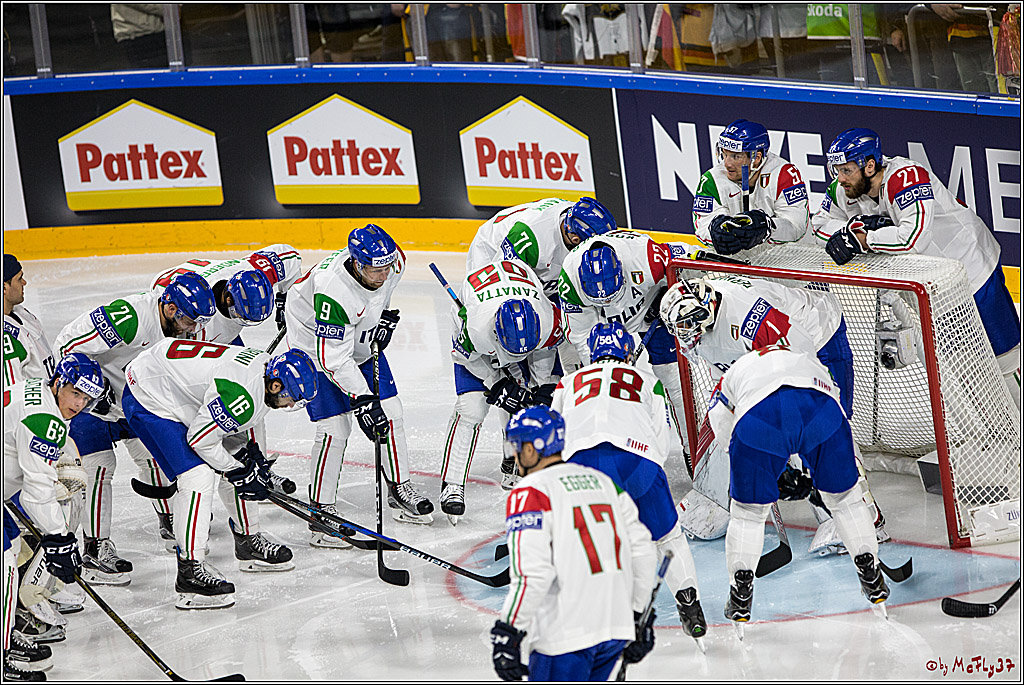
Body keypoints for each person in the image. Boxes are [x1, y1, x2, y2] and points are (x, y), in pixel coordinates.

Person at [659, 273, 890, 555]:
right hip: (764, 357)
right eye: (680, 326)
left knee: (817, 425)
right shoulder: (697, 328)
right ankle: (715, 501)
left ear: (709, 306)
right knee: (726, 420)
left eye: (691, 320)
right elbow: (729, 382)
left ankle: (862, 515)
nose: (687, 331)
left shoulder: (750, 318)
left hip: (816, 341)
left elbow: (799, 361)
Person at [814, 127, 1021, 410]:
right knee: (965, 364)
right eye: (837, 170)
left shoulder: (906, 176)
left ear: (870, 165)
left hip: (971, 270)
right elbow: (819, 224)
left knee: (1006, 358)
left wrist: (864, 238)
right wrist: (852, 231)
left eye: (847, 170)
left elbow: (913, 238)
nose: (841, 178)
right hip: (934, 286)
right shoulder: (843, 190)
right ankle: (999, 430)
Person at [122, 341, 317, 609]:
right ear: (275, 385)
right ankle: (189, 572)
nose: (290, 404)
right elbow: (201, 441)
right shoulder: (243, 395)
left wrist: (247, 458)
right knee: (198, 477)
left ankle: (248, 541)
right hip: (149, 396)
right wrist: (237, 470)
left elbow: (233, 421)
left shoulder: (263, 367)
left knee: (241, 464)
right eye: (290, 397)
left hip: (172, 385)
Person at [52, 272, 216, 584]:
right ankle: (95, 547)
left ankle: (169, 519)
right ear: (169, 310)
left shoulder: (185, 326)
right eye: (189, 321)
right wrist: (93, 391)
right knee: (99, 469)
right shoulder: (129, 318)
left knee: (154, 456)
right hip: (92, 400)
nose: (194, 331)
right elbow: (68, 346)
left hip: (137, 399)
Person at [551, 321, 707, 646]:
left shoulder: (567, 383)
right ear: (625, 351)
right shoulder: (649, 381)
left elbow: (554, 437)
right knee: (669, 538)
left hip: (581, 467)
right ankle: (690, 607)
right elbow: (660, 445)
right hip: (636, 460)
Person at [709, 346, 890, 626]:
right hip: (820, 409)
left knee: (747, 514)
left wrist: (775, 470)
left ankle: (740, 594)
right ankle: (871, 572)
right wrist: (819, 476)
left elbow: (723, 428)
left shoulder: (733, 371)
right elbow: (835, 402)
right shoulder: (804, 354)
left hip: (759, 419)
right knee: (845, 501)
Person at [284, 225, 434, 547]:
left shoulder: (393, 262)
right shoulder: (334, 290)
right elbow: (333, 360)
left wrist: (387, 316)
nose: (383, 275)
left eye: (386, 267)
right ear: (356, 263)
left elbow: (386, 289)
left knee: (392, 412)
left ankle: (399, 489)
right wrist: (364, 401)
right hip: (314, 346)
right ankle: (321, 513)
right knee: (335, 429)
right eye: (375, 269)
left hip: (357, 336)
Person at [490, 406, 658, 682]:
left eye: (517, 446)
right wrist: (639, 615)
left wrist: (508, 630)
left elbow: (532, 573)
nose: (515, 456)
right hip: (614, 628)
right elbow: (643, 550)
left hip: (565, 634)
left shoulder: (530, 491)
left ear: (533, 449)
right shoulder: (603, 483)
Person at [151, 245, 304, 497]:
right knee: (220, 402)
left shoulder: (254, 275)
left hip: (215, 323)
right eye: (242, 318)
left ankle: (259, 466)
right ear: (228, 299)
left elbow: (291, 256)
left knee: (257, 392)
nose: (243, 324)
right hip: (190, 327)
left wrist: (285, 300)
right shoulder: (195, 323)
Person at [439, 258, 564, 523]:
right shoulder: (474, 329)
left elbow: (546, 349)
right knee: (472, 408)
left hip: (523, 327)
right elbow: (465, 358)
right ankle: (452, 484)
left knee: (530, 401)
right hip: (477, 351)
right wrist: (495, 382)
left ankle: (513, 458)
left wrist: (543, 385)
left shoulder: (546, 318)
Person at [4, 354, 105, 678]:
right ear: (59, 383)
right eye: (76, 393)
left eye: (86, 399)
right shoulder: (44, 419)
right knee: (5, 562)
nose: (79, 404)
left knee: (9, 551)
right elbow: (36, 491)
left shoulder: (40, 392)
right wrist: (60, 538)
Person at [557, 230, 693, 448]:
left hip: (652, 312)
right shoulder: (570, 281)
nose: (609, 301)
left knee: (673, 378)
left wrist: (669, 294)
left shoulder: (646, 256)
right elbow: (582, 338)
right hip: (602, 323)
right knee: (591, 384)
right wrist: (603, 372)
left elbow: (692, 259)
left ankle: (691, 447)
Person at [692, 119, 810, 260]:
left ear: (757, 158)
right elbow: (703, 225)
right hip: (742, 265)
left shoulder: (784, 174)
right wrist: (716, 232)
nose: (727, 163)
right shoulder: (711, 180)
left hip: (790, 262)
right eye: (725, 154)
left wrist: (768, 227)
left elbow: (796, 227)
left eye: (736, 156)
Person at [466, 197, 616, 301]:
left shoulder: (578, 217)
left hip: (536, 245)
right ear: (576, 239)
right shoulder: (529, 237)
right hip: (492, 246)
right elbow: (507, 285)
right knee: (496, 300)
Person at [4, 254, 56, 387]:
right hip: (35, 405)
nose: (24, 283)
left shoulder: (22, 313)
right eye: (19, 279)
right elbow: (10, 395)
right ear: (4, 287)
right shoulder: (6, 339)